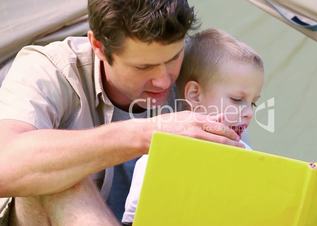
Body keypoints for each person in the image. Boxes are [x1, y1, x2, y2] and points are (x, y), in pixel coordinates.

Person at [0, 1, 244, 225]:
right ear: (98, 46)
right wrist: (146, 134)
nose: (162, 81)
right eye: (143, 67)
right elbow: (5, 163)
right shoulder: (50, 68)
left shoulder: (201, 70)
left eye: (173, 58)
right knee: (62, 175)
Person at [122, 28, 265, 225]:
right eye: (237, 99)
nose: (249, 112)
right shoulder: (159, 157)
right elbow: (134, 220)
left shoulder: (247, 156)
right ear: (195, 95)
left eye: (253, 103)